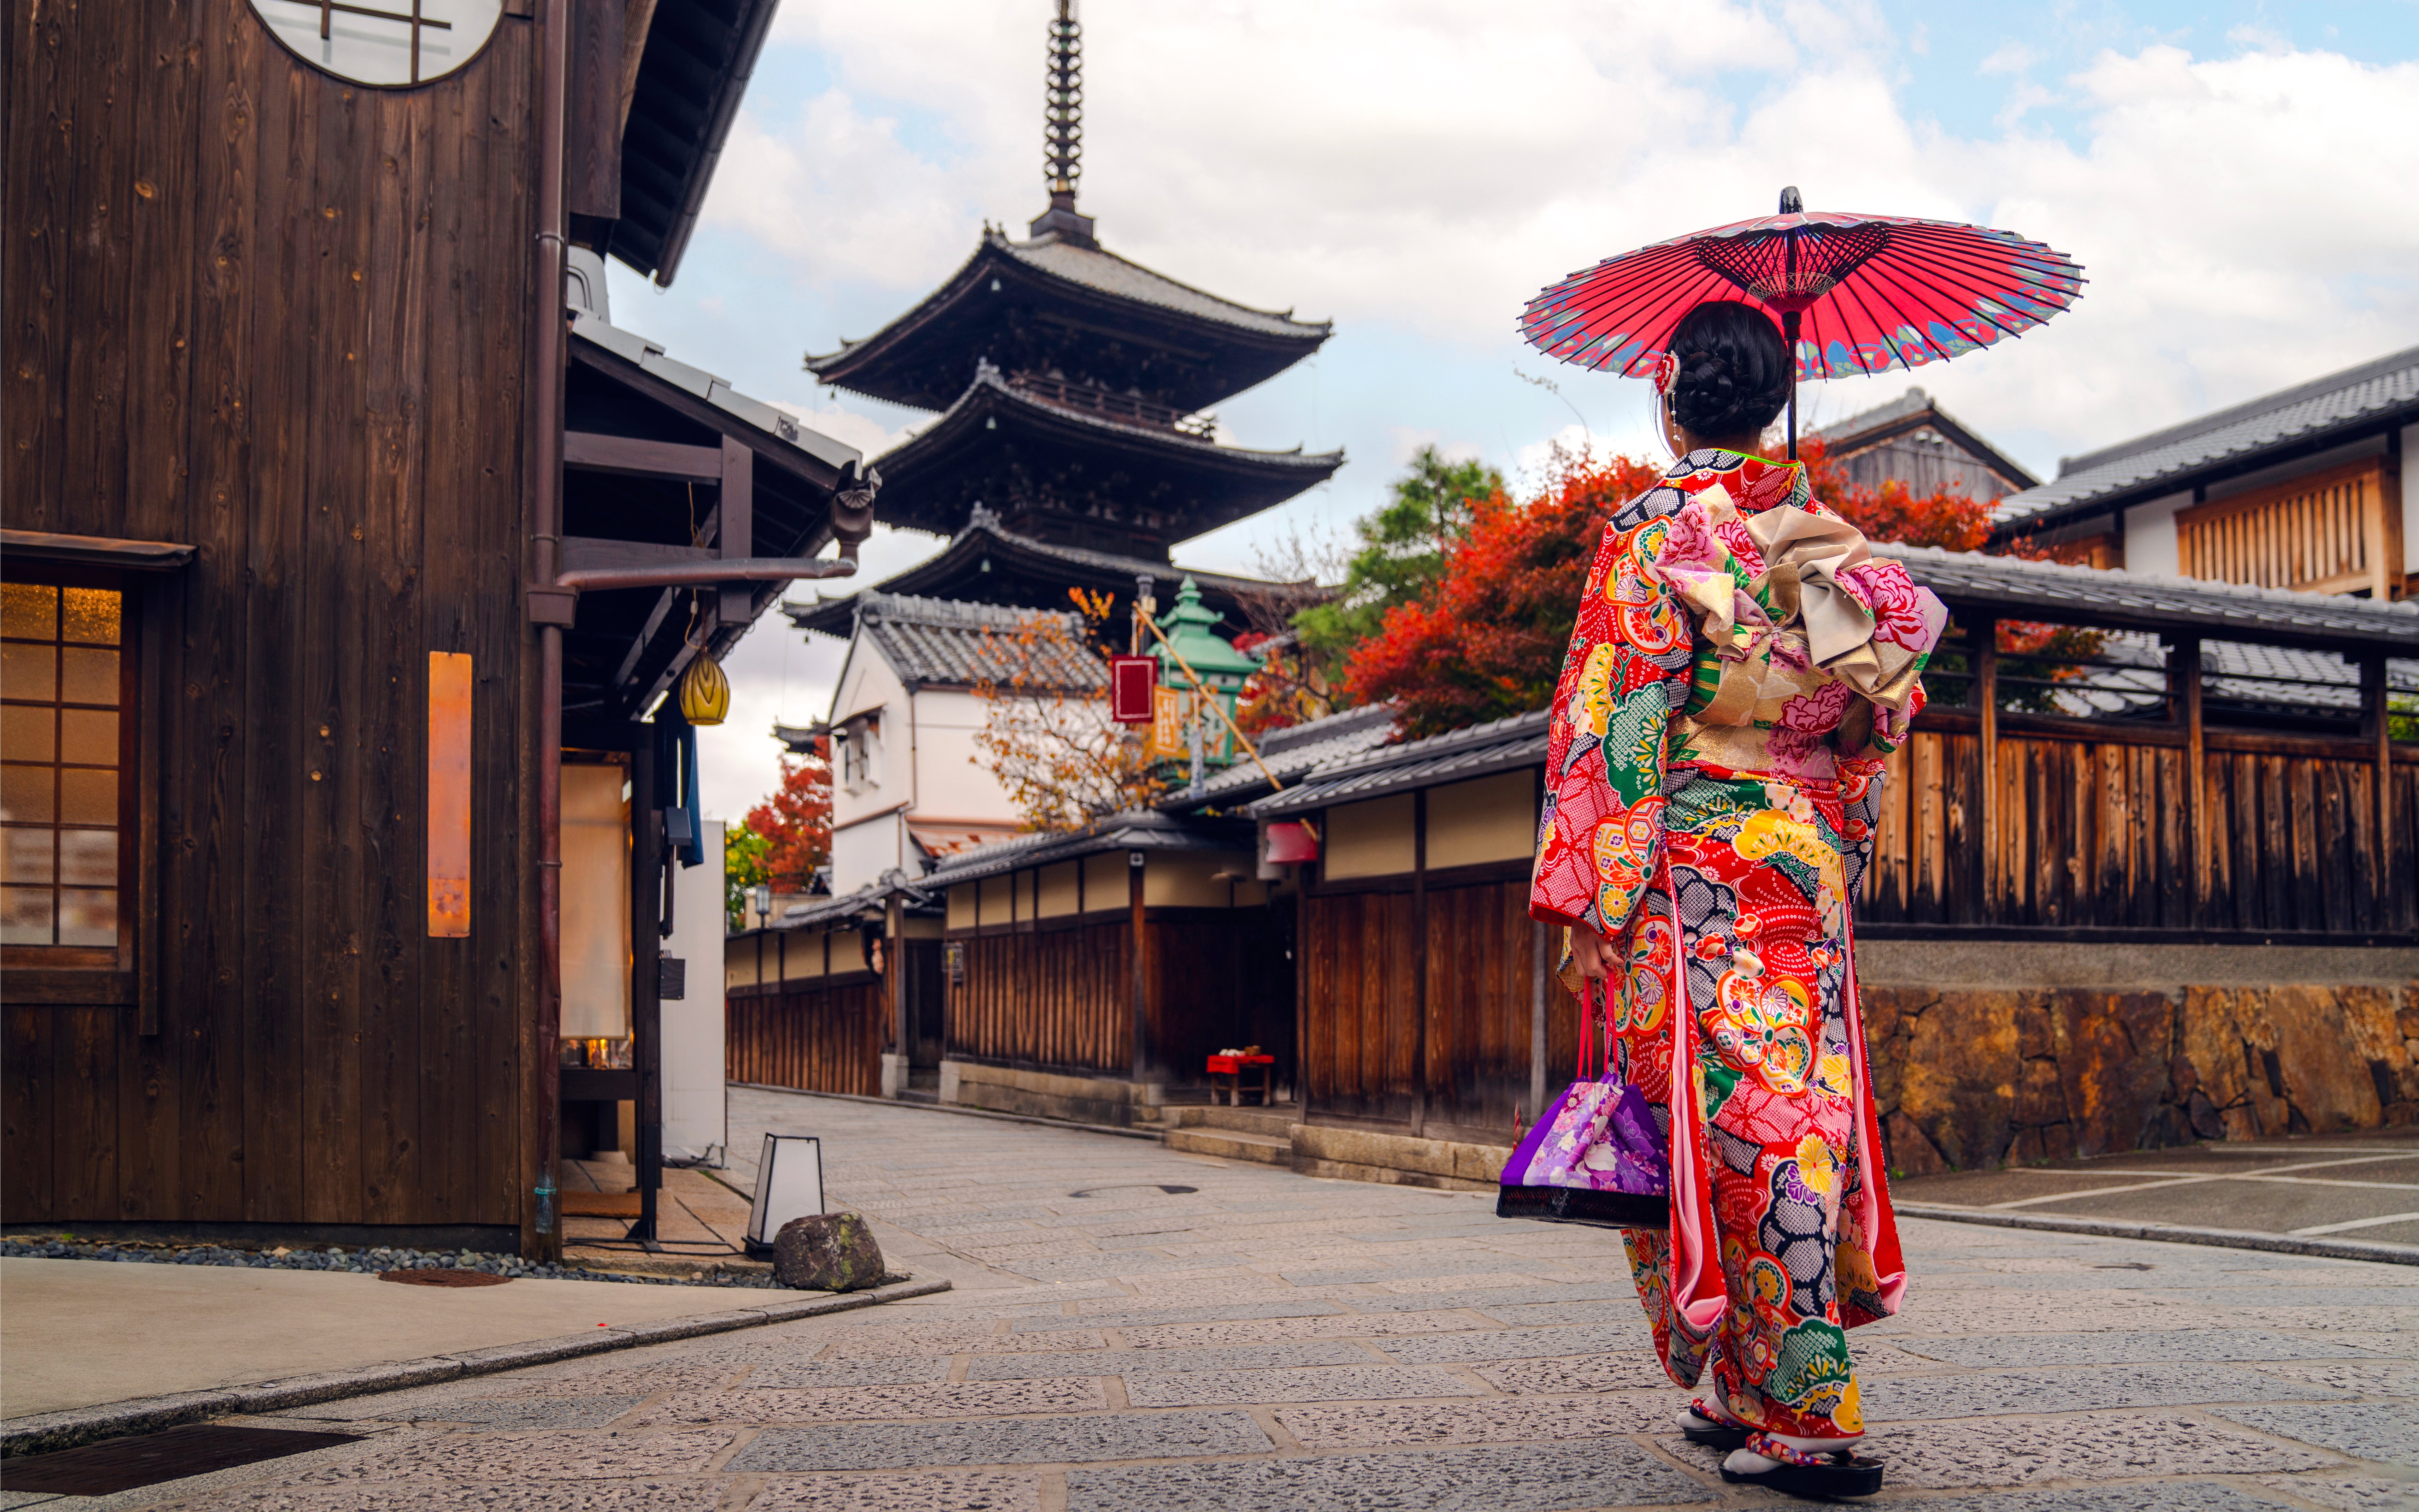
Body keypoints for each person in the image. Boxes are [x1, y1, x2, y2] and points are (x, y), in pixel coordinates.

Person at [1527, 300, 1945, 1499]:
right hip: (1797, 861)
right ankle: (1740, 1382)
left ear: (1668, 399)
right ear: (1772, 401)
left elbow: (1616, 717)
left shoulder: (1651, 534)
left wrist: (1595, 900)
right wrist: (1829, 823)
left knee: (1716, 1124)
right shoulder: (1835, 548)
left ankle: (1803, 1410)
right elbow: (1882, 717)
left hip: (1688, 862)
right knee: (1791, 1109)